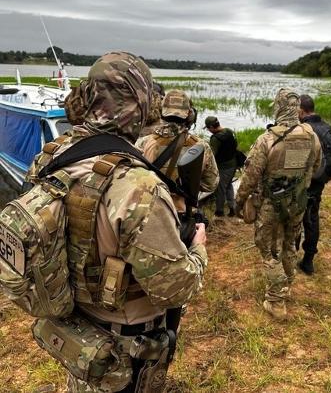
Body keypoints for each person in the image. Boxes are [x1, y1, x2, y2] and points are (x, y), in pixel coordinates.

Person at [28, 52, 208, 392]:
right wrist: (198, 248)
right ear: (140, 104)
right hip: (123, 347)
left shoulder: (52, 154)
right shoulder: (136, 186)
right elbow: (176, 288)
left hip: (74, 327)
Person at [235, 88, 321, 320]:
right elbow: (316, 165)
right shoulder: (312, 136)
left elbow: (250, 177)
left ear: (278, 107)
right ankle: (286, 287)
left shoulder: (267, 139)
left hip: (270, 205)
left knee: (268, 251)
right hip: (298, 203)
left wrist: (239, 201)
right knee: (290, 245)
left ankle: (276, 301)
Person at [136, 89, 219, 212]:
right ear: (190, 115)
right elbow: (211, 184)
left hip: (149, 214)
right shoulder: (201, 147)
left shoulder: (143, 143)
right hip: (182, 214)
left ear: (161, 114)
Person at [296, 94, 331, 275]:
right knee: (312, 220)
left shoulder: (305, 130)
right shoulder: (326, 127)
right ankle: (308, 260)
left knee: (296, 219)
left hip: (305, 183)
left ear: (301, 110)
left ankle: (294, 256)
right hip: (319, 181)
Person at [204, 116, 238, 217]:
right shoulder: (229, 131)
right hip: (233, 163)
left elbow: (211, 156)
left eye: (208, 128)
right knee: (228, 185)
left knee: (220, 189)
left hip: (223, 167)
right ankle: (232, 208)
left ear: (211, 127)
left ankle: (219, 211)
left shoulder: (215, 138)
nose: (209, 131)